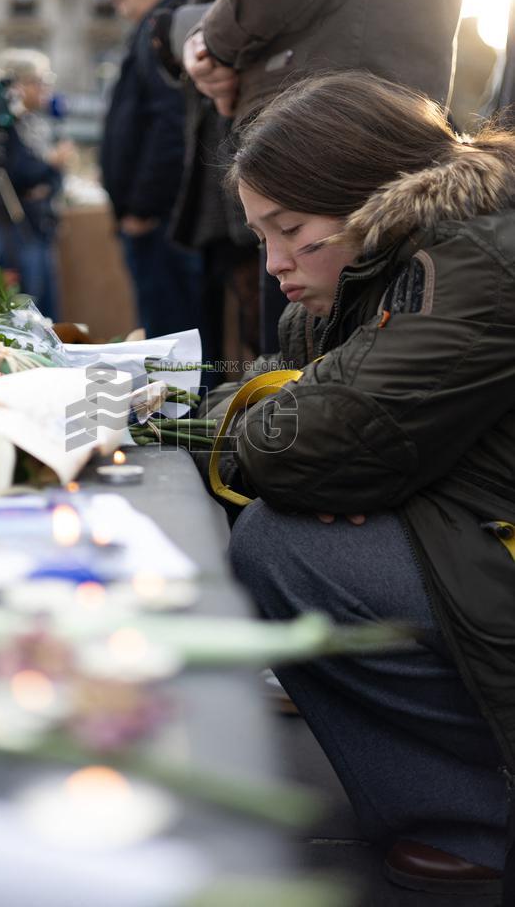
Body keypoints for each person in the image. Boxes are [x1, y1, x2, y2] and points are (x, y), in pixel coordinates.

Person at [206, 71, 515, 899]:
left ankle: (477, 821)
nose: (273, 263)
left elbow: (320, 441)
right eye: (261, 236)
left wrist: (293, 449)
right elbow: (283, 397)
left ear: (369, 198)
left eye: (291, 231)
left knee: (286, 548)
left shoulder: (476, 260)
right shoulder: (381, 269)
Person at [183, 0, 473, 354]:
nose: (274, 265)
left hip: (342, 114)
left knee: (335, 363)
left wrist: (212, 41)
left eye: (292, 230)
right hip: (327, 98)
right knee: (298, 363)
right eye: (268, 239)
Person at [151, 0, 257, 387]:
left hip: (241, 134)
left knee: (261, 308)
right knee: (240, 311)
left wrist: (191, 35)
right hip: (221, 139)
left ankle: (263, 424)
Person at [100, 0, 201, 338]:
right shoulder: (154, 25)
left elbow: (172, 124)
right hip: (159, 221)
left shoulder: (165, 25)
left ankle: (184, 408)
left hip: (163, 224)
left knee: (174, 346)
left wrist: (142, 209)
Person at [0, 48, 71, 320]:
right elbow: (19, 172)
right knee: (27, 312)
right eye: (40, 80)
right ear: (18, 85)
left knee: (46, 310)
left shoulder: (34, 122)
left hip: (38, 226)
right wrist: (51, 165)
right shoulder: (3, 124)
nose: (46, 88)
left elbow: (51, 178)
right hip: (16, 230)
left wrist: (49, 171)